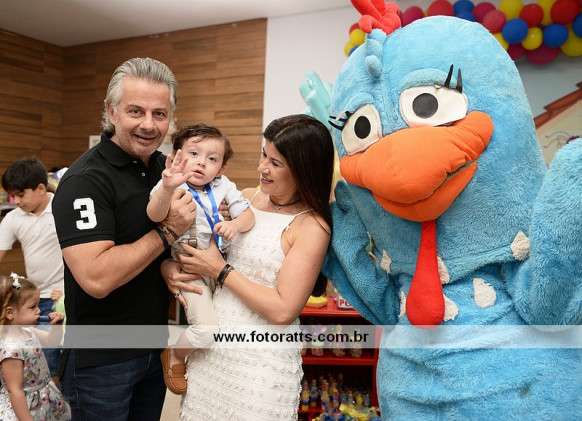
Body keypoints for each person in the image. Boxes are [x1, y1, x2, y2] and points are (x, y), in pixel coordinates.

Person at [162, 113, 335, 420]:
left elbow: (283, 311)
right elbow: (198, 242)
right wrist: (169, 267)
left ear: (304, 169)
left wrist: (220, 271)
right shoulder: (244, 200)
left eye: (275, 163)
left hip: (261, 362)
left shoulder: (312, 226)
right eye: (263, 155)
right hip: (212, 351)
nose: (261, 168)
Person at [51, 57, 196, 421]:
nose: (148, 124)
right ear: (111, 112)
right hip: (101, 362)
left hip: (153, 347)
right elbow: (96, 277)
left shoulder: (165, 168)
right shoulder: (86, 180)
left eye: (159, 114)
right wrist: (166, 232)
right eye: (135, 111)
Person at [147, 123, 255, 394]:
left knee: (228, 330)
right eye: (194, 154)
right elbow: (154, 214)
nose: (201, 162)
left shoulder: (224, 186)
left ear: (221, 169)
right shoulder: (170, 183)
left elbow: (248, 216)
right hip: (188, 269)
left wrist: (235, 225)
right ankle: (174, 353)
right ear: (177, 155)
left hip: (221, 264)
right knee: (206, 330)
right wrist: (167, 188)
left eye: (212, 159)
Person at [0, 157, 64, 380]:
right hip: (40, 300)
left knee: (73, 358)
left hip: (69, 296)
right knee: (46, 362)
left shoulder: (63, 207)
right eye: (12, 196)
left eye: (20, 194)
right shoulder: (13, 218)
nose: (16, 201)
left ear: (40, 188)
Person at [0, 273, 69, 420]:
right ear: (10, 313)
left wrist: (56, 327)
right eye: (32, 307)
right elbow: (15, 390)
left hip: (43, 399)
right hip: (26, 407)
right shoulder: (11, 349)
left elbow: (51, 341)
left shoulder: (28, 331)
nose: (38, 311)